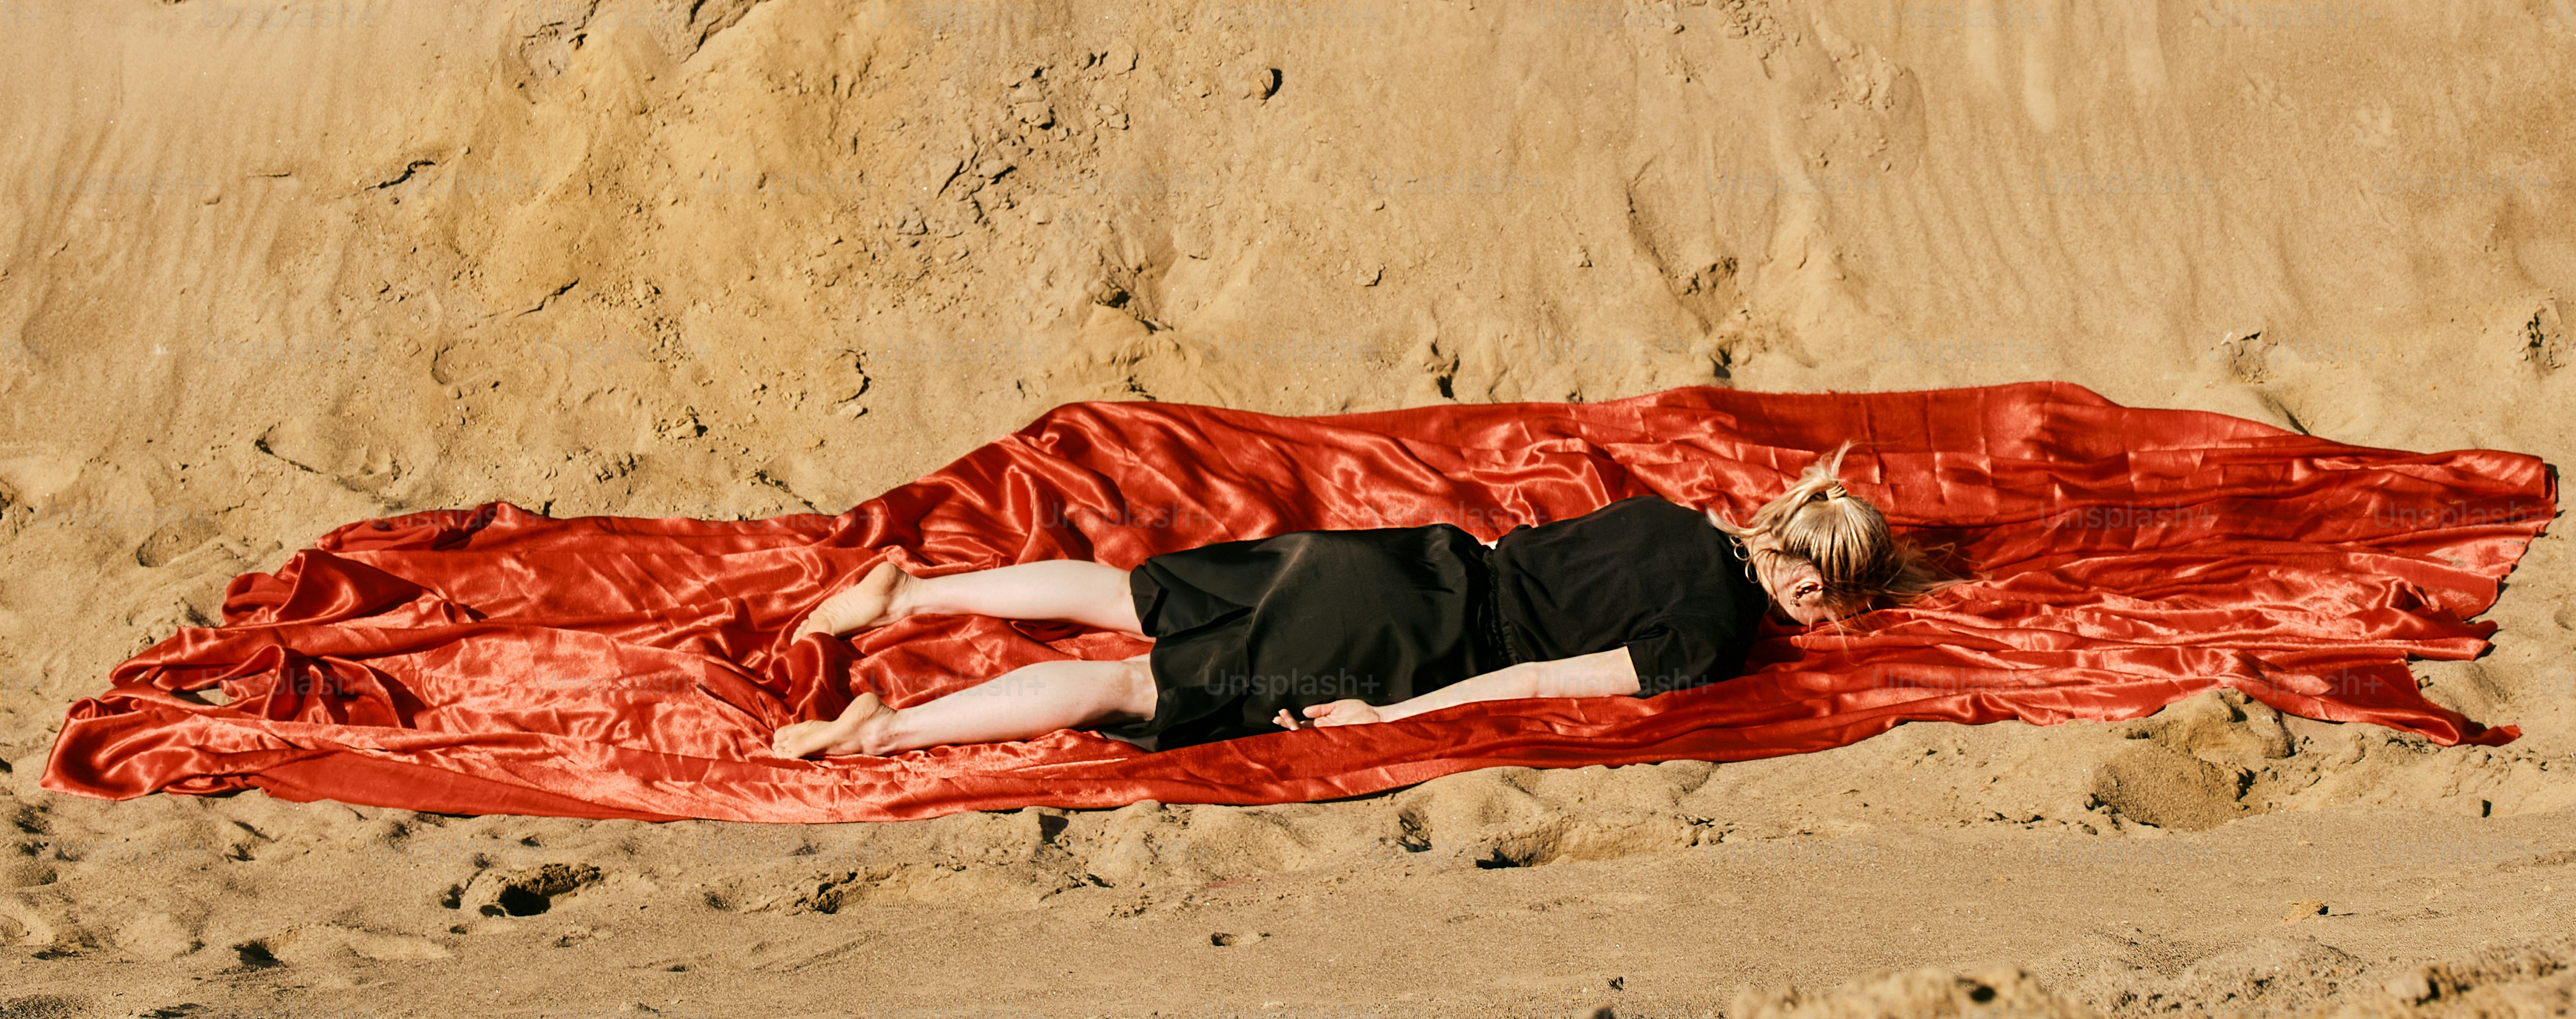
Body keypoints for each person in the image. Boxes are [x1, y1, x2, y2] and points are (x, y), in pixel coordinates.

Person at [769, 445, 1924, 759]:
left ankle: (916, 591)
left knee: (1132, 597)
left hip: (1399, 561)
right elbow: (1534, 678)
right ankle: (886, 727)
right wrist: (1394, 720)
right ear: (1809, 581)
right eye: (1838, 610)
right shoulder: (1714, 632)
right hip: (1409, 635)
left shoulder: (1668, 512)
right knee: (1136, 684)